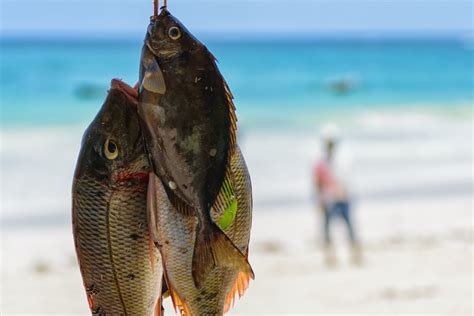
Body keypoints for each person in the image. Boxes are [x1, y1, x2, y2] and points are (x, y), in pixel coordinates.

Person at [314, 124, 361, 266]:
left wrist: (346, 192)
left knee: (348, 226)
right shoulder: (321, 162)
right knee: (328, 228)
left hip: (342, 198)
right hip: (329, 200)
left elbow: (347, 180)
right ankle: (330, 255)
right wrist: (320, 199)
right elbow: (318, 183)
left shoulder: (341, 159)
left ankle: (355, 253)